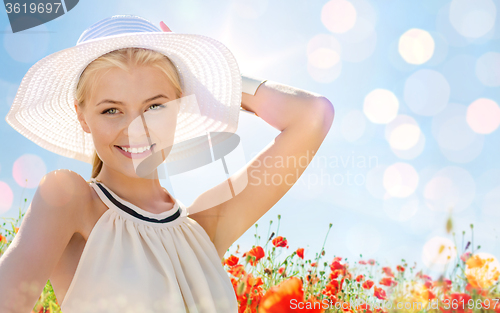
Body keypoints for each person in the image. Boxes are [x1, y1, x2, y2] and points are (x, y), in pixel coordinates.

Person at [0, 14, 334, 313]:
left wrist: (208, 86)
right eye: (111, 110)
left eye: (155, 107)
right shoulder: (69, 198)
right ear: (82, 117)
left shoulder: (202, 227)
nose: (136, 129)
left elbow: (312, 116)